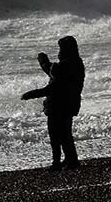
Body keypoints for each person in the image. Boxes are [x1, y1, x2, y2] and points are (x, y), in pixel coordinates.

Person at [21, 36, 85, 171]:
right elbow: (52, 71)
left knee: (55, 136)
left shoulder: (65, 66)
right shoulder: (77, 63)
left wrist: (30, 94)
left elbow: (51, 86)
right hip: (70, 104)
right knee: (65, 134)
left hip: (58, 106)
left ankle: (57, 163)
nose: (59, 51)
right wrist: (44, 63)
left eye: (61, 48)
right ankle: (71, 159)